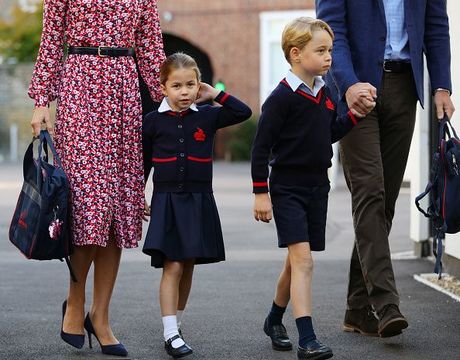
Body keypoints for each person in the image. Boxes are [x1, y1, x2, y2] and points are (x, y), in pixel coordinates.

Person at [28, 0, 165, 356]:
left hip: (124, 87)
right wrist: (42, 100)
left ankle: (100, 315)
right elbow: (51, 40)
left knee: (117, 208)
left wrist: (173, 101)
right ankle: (75, 303)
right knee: (89, 204)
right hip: (80, 86)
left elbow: (151, 48)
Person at [316, 0, 455, 338]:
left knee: (385, 201)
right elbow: (333, 32)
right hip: (355, 89)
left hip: (404, 87)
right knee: (369, 192)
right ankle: (386, 303)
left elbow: (436, 25)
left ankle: (357, 308)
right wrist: (347, 85)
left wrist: (442, 85)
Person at [251, 17, 371, 360]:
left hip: (318, 187)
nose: (329, 57)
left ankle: (274, 319)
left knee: (296, 261)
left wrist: (354, 116)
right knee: (304, 262)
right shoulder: (280, 98)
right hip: (286, 188)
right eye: (321, 50)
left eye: (330, 50)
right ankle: (307, 339)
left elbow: (327, 133)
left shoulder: (327, 93)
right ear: (296, 54)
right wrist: (261, 192)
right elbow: (261, 148)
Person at [142, 52, 252, 358]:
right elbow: (143, 163)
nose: (184, 92)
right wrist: (139, 193)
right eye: (176, 86)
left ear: (198, 85)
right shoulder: (152, 122)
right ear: (163, 87)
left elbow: (243, 111)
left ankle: (176, 324)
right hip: (167, 201)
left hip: (199, 198)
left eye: (190, 84)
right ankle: (169, 333)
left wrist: (215, 94)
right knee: (173, 264)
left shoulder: (207, 115)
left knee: (188, 264)